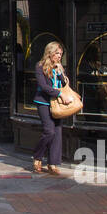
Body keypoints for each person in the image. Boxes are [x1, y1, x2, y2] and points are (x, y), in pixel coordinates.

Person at [32, 41, 68, 176]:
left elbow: (64, 84)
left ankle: (53, 163)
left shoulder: (59, 67)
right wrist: (58, 93)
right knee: (49, 131)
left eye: (61, 54)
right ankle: (37, 156)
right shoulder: (40, 66)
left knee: (58, 132)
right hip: (44, 102)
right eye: (57, 53)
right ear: (50, 53)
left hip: (58, 104)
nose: (59, 56)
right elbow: (43, 86)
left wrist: (60, 72)